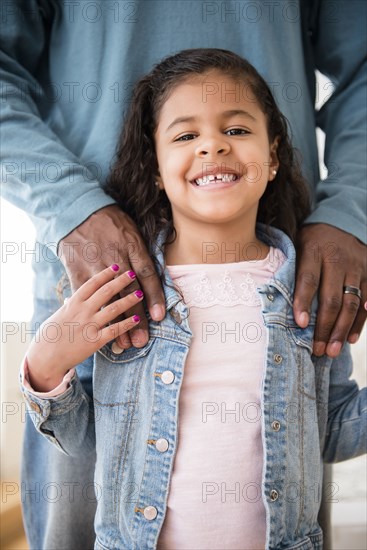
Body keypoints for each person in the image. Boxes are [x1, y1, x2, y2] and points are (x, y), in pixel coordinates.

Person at [1, 1, 366, 548]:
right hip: (93, 273)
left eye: (236, 128)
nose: (212, 145)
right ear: (154, 165)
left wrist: (351, 209)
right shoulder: (118, 311)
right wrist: (46, 367)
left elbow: (331, 426)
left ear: (274, 156)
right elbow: (84, 435)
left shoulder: (298, 303)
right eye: (184, 136)